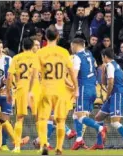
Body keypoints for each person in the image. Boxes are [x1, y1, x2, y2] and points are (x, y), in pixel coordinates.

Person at [36, 26, 78, 155]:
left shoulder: (40, 52)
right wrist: (75, 87)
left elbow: (36, 73)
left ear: (45, 37)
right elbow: (71, 71)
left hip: (45, 89)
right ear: (58, 37)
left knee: (43, 119)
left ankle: (43, 144)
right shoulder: (64, 52)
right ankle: (59, 148)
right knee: (61, 120)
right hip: (61, 90)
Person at [89, 47, 123, 150]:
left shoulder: (111, 66)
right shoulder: (112, 65)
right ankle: (99, 143)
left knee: (115, 122)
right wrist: (103, 70)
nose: (102, 59)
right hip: (114, 95)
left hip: (117, 95)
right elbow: (103, 82)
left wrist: (107, 96)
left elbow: (110, 82)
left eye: (102, 57)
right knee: (98, 118)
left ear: (105, 57)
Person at [70, 38, 106, 150]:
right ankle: (79, 139)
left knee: (80, 117)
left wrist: (74, 88)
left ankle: (100, 129)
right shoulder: (89, 54)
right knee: (76, 115)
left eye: (71, 46)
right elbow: (95, 68)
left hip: (83, 88)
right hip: (93, 88)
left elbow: (74, 75)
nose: (71, 48)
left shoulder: (77, 57)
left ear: (75, 45)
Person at [7, 38, 38, 153]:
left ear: (22, 46)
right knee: (39, 118)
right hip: (35, 89)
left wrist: (8, 93)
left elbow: (10, 76)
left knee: (19, 119)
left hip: (21, 89)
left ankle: (17, 147)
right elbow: (37, 74)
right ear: (32, 46)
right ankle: (43, 145)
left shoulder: (16, 58)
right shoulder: (36, 57)